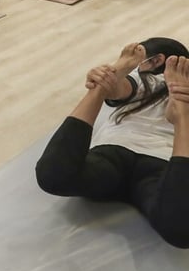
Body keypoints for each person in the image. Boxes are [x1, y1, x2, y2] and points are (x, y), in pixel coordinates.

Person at [35, 39, 189, 248]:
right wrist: (106, 81)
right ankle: (100, 88)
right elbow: (123, 89)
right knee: (53, 175)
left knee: (180, 229)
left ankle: (182, 118)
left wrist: (182, 117)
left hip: (161, 166)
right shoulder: (153, 81)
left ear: (156, 60)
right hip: (114, 155)